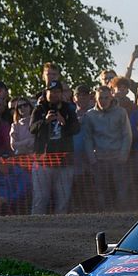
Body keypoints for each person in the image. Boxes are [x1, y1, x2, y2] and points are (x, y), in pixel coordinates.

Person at [29, 81, 80, 214]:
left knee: (63, 199)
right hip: (42, 161)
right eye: (50, 91)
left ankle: (60, 231)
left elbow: (76, 128)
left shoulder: (68, 109)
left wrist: (64, 122)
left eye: (57, 91)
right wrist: (45, 121)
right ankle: (35, 228)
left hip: (64, 162)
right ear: (46, 93)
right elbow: (32, 128)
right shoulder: (39, 109)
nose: (53, 94)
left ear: (61, 93)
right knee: (40, 198)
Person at [82, 85, 132, 210]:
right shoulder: (90, 115)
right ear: (95, 98)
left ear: (111, 98)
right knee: (102, 191)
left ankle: (122, 216)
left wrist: (123, 155)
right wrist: (92, 158)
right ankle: (104, 217)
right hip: (99, 160)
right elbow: (87, 138)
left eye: (106, 98)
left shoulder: (121, 112)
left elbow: (127, 134)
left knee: (121, 191)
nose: (103, 101)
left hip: (118, 159)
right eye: (101, 98)